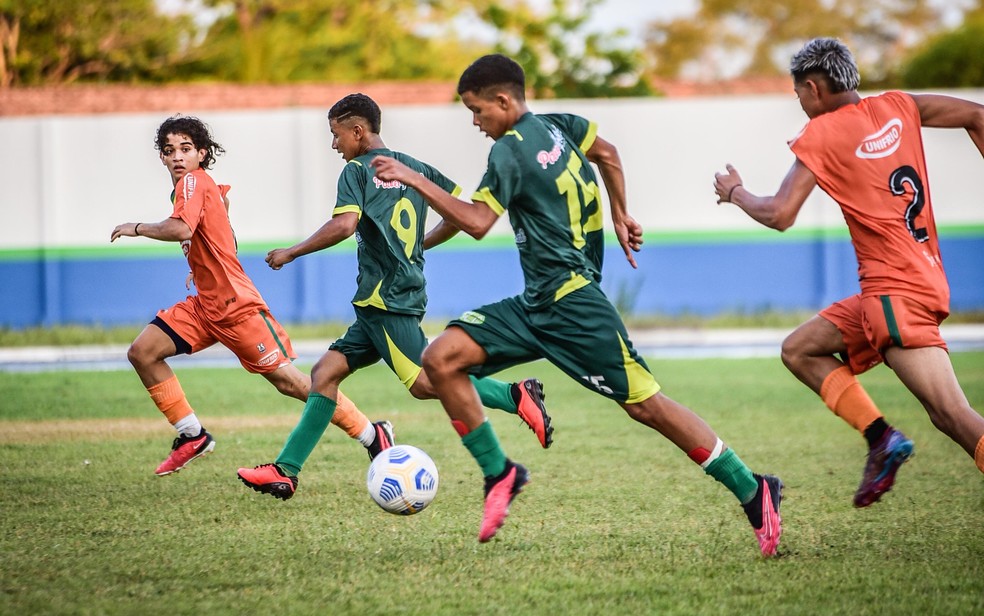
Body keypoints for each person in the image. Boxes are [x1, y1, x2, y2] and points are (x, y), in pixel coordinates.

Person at [371, 55, 783, 556]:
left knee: (647, 407)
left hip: (575, 307)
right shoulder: (561, 127)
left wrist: (414, 179)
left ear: (503, 101)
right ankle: (500, 473)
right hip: (536, 302)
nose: (475, 123)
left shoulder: (509, 152)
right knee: (440, 359)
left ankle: (752, 488)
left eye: (477, 111)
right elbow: (606, 152)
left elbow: (478, 222)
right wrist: (621, 212)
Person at [237, 94, 553, 501]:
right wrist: (420, 245)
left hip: (387, 301)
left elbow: (345, 224)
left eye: (336, 136)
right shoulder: (413, 168)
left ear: (357, 131)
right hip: (383, 301)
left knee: (425, 383)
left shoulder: (356, 170)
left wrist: (291, 252)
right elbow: (460, 210)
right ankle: (285, 471)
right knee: (325, 374)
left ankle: (515, 395)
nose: (335, 145)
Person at [713, 37, 984, 507]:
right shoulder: (900, 105)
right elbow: (978, 115)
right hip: (920, 280)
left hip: (892, 296)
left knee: (953, 415)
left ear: (815, 89)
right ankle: (881, 438)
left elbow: (780, 213)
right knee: (800, 350)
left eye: (798, 95)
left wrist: (735, 192)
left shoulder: (823, 132)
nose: (799, 105)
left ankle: (885, 440)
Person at [110, 115, 393, 477]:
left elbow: (181, 226)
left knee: (292, 383)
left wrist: (136, 228)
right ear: (162, 158)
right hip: (205, 305)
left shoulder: (194, 181)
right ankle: (192, 434)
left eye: (185, 149)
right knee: (143, 352)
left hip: (235, 307)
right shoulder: (190, 188)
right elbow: (213, 230)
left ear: (202, 153)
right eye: (169, 151)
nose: (178, 157)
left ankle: (373, 435)